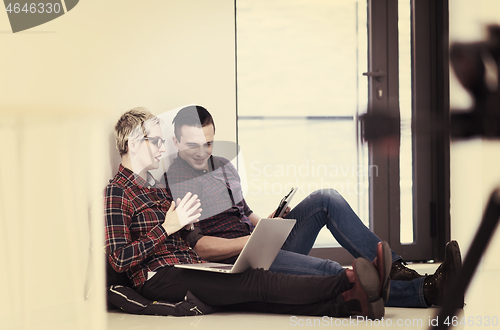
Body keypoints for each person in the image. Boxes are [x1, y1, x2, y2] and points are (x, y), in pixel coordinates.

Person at [104, 107, 392, 320]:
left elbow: (198, 233)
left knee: (256, 295)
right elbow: (118, 260)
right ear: (132, 144)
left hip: (188, 265)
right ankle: (350, 281)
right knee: (255, 283)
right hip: (160, 275)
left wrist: (265, 226)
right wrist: (167, 228)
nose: (161, 147)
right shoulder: (118, 191)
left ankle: (350, 304)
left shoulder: (153, 188)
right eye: (155, 140)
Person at [165, 105, 463, 309]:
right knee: (330, 270)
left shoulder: (223, 166)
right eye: (194, 146)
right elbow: (200, 247)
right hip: (239, 262)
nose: (204, 153)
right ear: (177, 142)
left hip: (260, 245)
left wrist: (270, 222)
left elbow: (245, 214)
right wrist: (251, 242)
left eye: (209, 143)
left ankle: (397, 270)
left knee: (326, 198)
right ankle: (427, 290)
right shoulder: (176, 181)